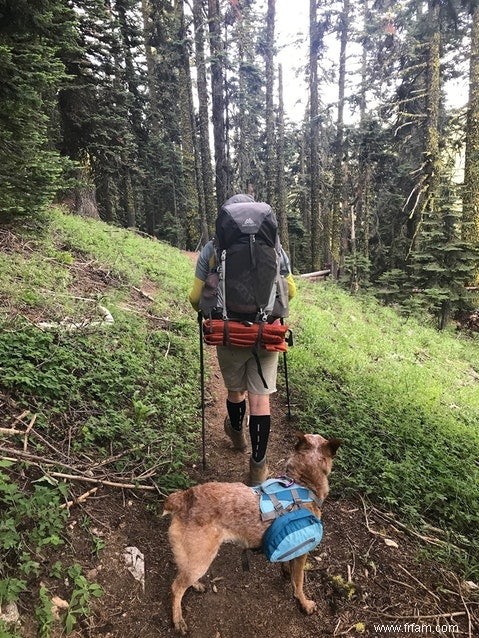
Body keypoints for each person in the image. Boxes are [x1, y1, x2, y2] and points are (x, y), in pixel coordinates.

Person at [189, 194, 296, 486]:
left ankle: (236, 434)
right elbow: (290, 292)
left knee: (236, 392)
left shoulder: (212, 249)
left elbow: (196, 298)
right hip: (265, 333)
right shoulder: (274, 247)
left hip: (229, 333)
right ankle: (258, 469)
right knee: (260, 400)